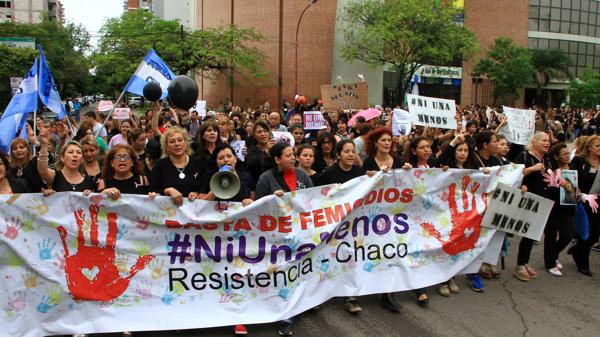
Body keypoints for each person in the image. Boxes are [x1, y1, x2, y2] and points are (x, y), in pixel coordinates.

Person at [254, 142, 313, 336]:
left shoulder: (302, 175)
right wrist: (273, 200)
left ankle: (297, 306)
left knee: (298, 271)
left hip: (299, 233)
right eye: (288, 155)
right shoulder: (266, 179)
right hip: (276, 237)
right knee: (282, 273)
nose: (293, 158)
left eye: (293, 154)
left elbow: (311, 200)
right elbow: (258, 209)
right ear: (277, 159)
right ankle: (283, 313)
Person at [513, 132, 551, 282]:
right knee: (515, 231)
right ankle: (517, 264)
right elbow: (513, 173)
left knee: (531, 233)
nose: (547, 143)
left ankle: (523, 262)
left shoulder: (547, 158)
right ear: (534, 142)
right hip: (525, 199)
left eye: (548, 141)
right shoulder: (524, 156)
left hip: (541, 200)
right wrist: (532, 169)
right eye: (544, 140)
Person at [149, 127, 206, 206]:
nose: (177, 144)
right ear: (167, 147)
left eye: (180, 140)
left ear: (186, 143)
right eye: (172, 141)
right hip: (169, 213)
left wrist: (197, 193)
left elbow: (205, 185)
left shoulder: (198, 162)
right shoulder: (160, 165)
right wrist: (168, 190)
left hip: (194, 212)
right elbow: (153, 190)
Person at [569, 135, 600, 276]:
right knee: (586, 232)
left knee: (595, 235)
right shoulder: (579, 160)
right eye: (597, 146)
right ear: (589, 148)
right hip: (584, 201)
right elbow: (568, 176)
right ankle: (583, 263)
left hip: (598, 202)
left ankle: (577, 250)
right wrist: (575, 189)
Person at [543, 143, 574, 277]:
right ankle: (550, 264)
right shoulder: (551, 170)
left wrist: (576, 190)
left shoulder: (572, 167)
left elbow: (575, 185)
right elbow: (548, 190)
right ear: (556, 156)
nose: (567, 156)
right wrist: (557, 184)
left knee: (567, 236)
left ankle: (553, 255)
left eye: (568, 154)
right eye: (564, 154)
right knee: (550, 235)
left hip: (568, 206)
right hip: (553, 207)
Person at [37, 135, 104, 195]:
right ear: (62, 158)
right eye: (70, 152)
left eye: (78, 152)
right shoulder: (55, 175)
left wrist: (90, 196)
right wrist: (44, 145)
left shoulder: (89, 180)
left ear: (82, 159)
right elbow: (43, 171)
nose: (75, 155)